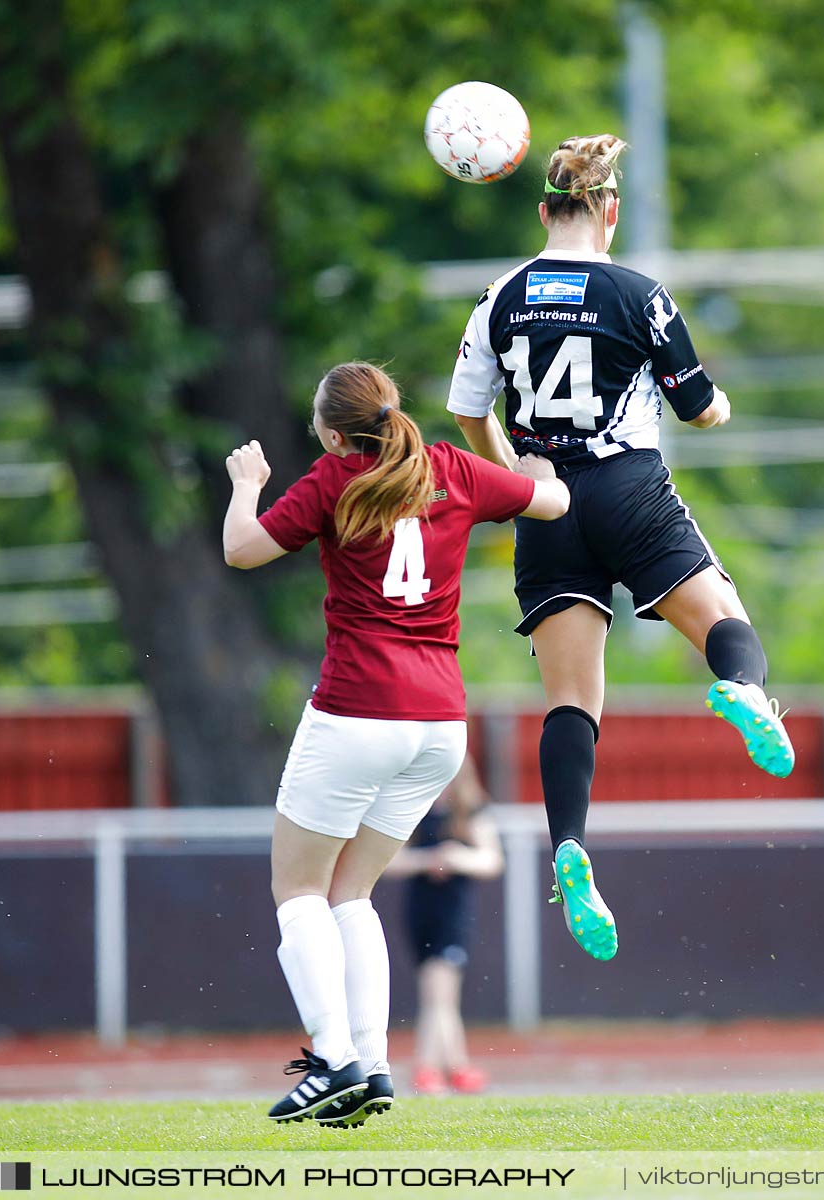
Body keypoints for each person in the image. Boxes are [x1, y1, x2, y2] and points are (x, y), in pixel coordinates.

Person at [446, 134, 794, 966]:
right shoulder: (639, 292)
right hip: (627, 487)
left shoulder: (499, 297)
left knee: (572, 701)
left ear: (543, 211)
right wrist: (721, 410)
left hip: (546, 502)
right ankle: (743, 691)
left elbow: (466, 412)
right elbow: (701, 409)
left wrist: (516, 473)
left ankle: (570, 844)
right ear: (609, 210)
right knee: (724, 618)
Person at [221, 362, 568, 1126]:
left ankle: (332, 1057)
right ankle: (373, 1066)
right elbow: (553, 499)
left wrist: (247, 483)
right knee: (351, 893)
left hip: (357, 712)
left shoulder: (333, 477)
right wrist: (524, 464)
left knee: (299, 892)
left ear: (336, 432)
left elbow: (243, 550)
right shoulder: (449, 467)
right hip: (441, 725)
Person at [384, 757, 504, 1095]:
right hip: (420, 912)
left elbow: (491, 859)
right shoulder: (413, 809)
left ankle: (430, 1066)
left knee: (440, 992)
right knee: (437, 992)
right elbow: (390, 862)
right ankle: (456, 1065)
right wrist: (428, 861)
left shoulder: (471, 810)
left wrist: (456, 857)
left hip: (454, 913)